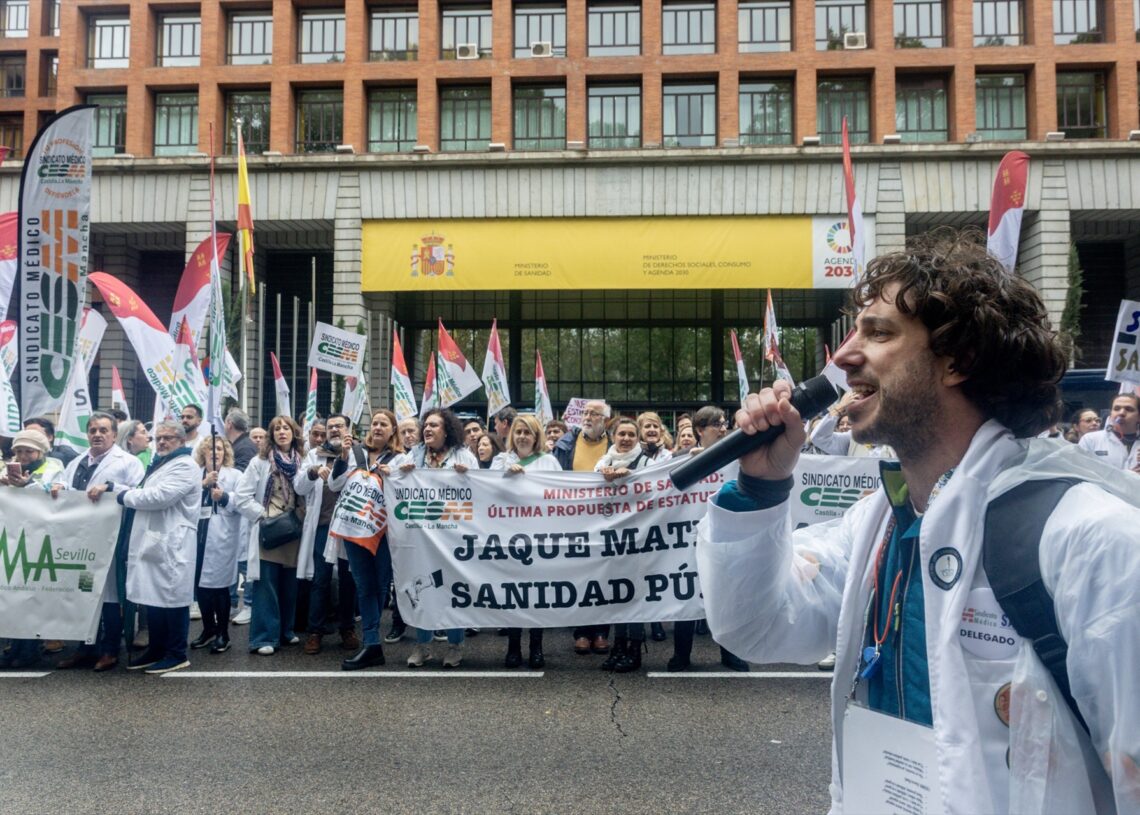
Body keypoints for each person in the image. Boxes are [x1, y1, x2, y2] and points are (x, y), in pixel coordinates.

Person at [696, 230, 1140, 814]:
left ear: (959, 361)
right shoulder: (881, 520)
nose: (844, 356)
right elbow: (757, 627)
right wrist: (761, 485)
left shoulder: (1093, 540)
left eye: (878, 333)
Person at [51, 413, 146, 672]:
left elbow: (138, 492)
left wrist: (111, 486)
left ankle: (110, 650)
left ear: (114, 435)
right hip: (82, 543)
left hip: (111, 541)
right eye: (93, 430)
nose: (97, 434)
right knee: (85, 594)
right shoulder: (77, 462)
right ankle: (85, 649)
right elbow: (65, 485)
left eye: (103, 430)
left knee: (109, 598)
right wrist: (58, 486)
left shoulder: (128, 462)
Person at [117, 420, 201, 675]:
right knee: (152, 596)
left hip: (173, 542)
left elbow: (159, 497)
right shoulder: (163, 464)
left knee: (173, 597)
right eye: (159, 438)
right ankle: (156, 648)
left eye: (169, 438)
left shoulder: (186, 466)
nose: (162, 442)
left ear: (182, 441)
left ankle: (176, 653)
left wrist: (123, 495)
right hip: (156, 540)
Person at [328, 409, 407, 670]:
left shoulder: (399, 458)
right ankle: (371, 643)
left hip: (383, 532)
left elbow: (405, 492)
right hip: (354, 530)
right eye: (375, 423)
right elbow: (334, 484)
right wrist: (341, 457)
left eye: (384, 424)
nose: (378, 427)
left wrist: (392, 476)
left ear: (393, 430)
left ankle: (372, 641)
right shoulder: (354, 453)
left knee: (379, 585)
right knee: (363, 584)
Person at [399, 408, 477, 668]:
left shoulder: (464, 455)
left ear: (447, 430)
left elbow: (479, 490)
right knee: (422, 588)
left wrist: (468, 476)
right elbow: (395, 480)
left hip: (452, 537)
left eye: (434, 425)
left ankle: (455, 646)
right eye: (426, 425)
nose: (427, 429)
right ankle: (423, 646)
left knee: (451, 588)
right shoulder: (415, 454)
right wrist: (403, 472)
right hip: (422, 538)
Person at [233, 416, 310, 656]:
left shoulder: (303, 461)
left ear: (294, 433)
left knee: (289, 585)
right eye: (276, 428)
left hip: (295, 529)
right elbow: (240, 497)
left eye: (286, 428)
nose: (281, 432)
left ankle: (285, 631)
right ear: (271, 435)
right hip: (270, 528)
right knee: (267, 584)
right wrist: (262, 516)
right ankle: (263, 637)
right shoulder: (260, 462)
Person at [490, 413, 562, 669]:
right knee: (513, 594)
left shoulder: (549, 462)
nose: (522, 437)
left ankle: (536, 646)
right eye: (518, 432)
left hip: (539, 538)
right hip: (508, 537)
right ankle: (512, 646)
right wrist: (505, 475)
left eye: (527, 432)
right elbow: (486, 493)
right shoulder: (500, 461)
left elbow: (561, 498)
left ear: (536, 436)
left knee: (536, 594)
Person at [594, 417, 656, 672]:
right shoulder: (603, 462)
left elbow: (658, 492)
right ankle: (618, 647)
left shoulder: (647, 463)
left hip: (638, 539)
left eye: (632, 434)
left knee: (635, 597)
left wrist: (633, 478)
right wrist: (602, 478)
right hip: (612, 540)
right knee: (618, 597)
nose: (627, 438)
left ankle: (634, 650)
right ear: (613, 436)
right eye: (622, 434)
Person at [0, 429, 65, 670]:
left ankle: (30, 649)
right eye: (18, 450)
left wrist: (27, 485)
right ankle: (14, 647)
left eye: (28, 450)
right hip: (12, 539)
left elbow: (57, 494)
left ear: (40, 451)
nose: (23, 455)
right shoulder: (6, 468)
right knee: (11, 594)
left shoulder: (52, 467)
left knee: (33, 595)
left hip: (40, 541)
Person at [295, 413, 358, 656]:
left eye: (339, 426)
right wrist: (311, 472)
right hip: (322, 527)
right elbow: (299, 487)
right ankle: (315, 631)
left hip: (349, 526)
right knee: (320, 579)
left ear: (347, 429)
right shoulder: (314, 454)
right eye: (330, 427)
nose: (333, 430)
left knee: (347, 579)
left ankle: (347, 628)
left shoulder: (357, 454)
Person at [552, 400, 612, 655]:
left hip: (609, 518)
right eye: (586, 413)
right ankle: (581, 632)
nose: (588, 417)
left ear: (605, 421)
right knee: (579, 575)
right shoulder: (565, 445)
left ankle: (601, 632)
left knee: (605, 575)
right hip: (574, 519)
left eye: (594, 414)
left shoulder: (615, 444)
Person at [189, 436, 241, 654]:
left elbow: (242, 501)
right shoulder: (195, 474)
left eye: (219, 448)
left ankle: (223, 633)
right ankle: (208, 628)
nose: (215, 452)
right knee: (200, 586)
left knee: (219, 587)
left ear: (225, 452)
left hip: (222, 537)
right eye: (210, 448)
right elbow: (184, 497)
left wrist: (225, 496)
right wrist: (203, 485)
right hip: (196, 535)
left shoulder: (235, 475)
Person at [1077, 393, 1140, 470]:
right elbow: (1080, 471)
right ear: (1110, 414)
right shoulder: (1090, 440)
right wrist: (1129, 476)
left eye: (1129, 409)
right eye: (1116, 409)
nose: (1121, 413)